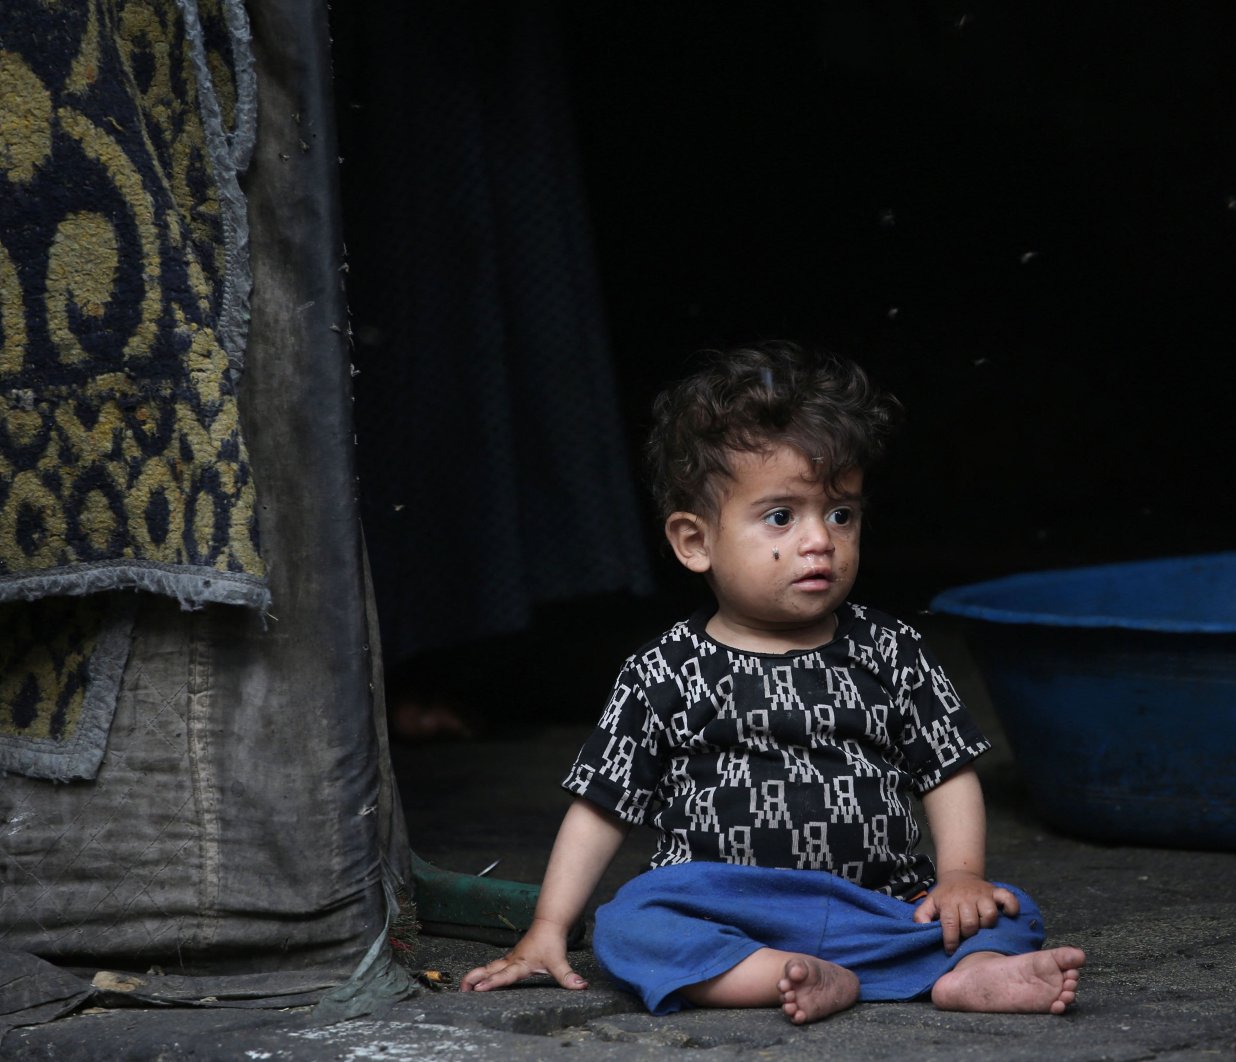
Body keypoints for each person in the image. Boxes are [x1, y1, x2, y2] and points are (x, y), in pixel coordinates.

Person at [460, 343, 1084, 1023]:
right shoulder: (663, 671)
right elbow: (602, 805)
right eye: (781, 516)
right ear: (695, 541)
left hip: (873, 904)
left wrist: (961, 876)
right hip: (718, 903)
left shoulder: (891, 649)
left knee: (1005, 909)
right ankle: (788, 976)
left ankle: (974, 974)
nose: (820, 540)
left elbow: (946, 771)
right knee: (627, 925)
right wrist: (550, 926)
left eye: (841, 514)